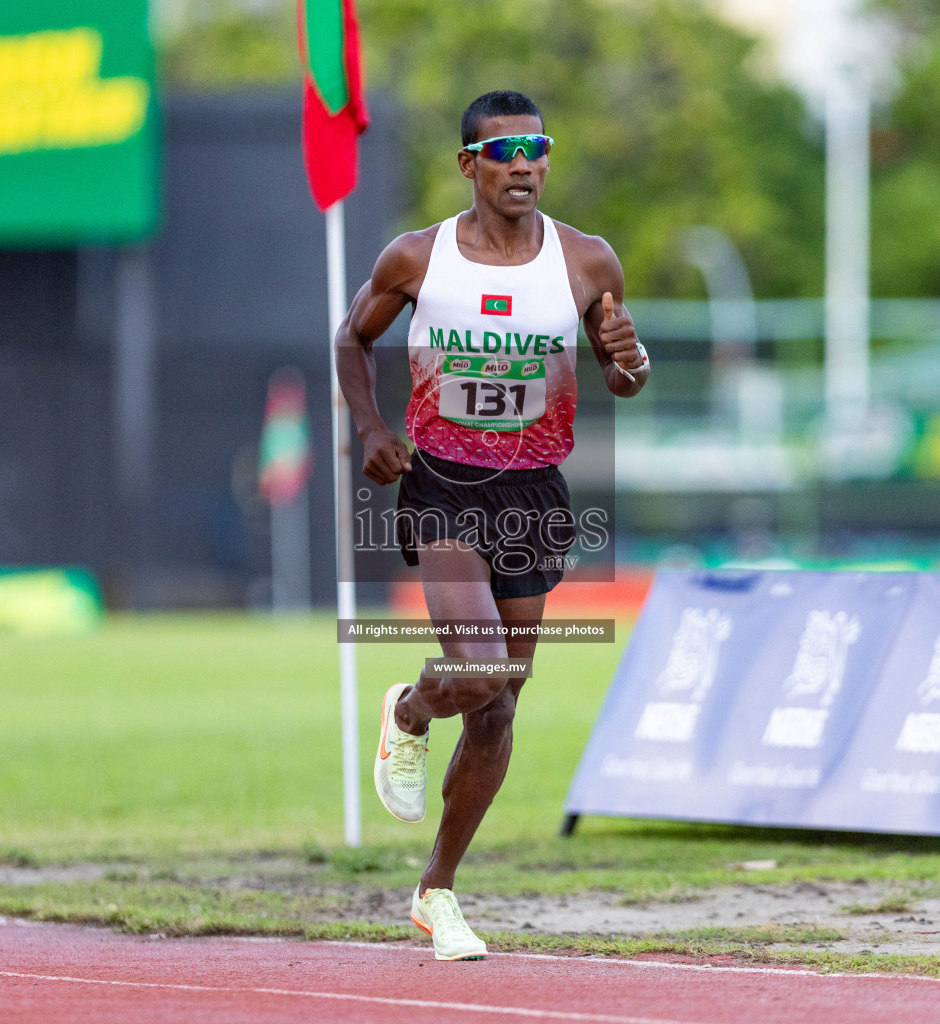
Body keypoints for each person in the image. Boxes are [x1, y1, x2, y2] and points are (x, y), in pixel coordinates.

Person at [335, 89, 648, 961]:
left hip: (535, 491)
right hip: (443, 485)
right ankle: (408, 708)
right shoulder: (417, 258)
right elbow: (351, 338)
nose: (523, 164)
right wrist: (371, 430)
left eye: (537, 148)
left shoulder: (587, 261)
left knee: (502, 706)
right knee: (477, 672)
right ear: (470, 164)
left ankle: (438, 892)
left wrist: (632, 362)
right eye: (503, 151)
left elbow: (625, 370)